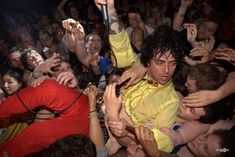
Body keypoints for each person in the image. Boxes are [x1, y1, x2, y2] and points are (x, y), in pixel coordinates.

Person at [94, 0, 187, 155]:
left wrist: (115, 116)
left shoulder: (171, 100)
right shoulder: (137, 67)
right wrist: (110, 9)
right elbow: (121, 45)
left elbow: (156, 142)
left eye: (172, 63)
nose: (166, 70)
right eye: (159, 62)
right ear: (147, 61)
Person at [0, 79, 90, 157]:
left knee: (38, 134)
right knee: (49, 89)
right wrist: (78, 88)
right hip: (91, 105)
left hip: (94, 132)